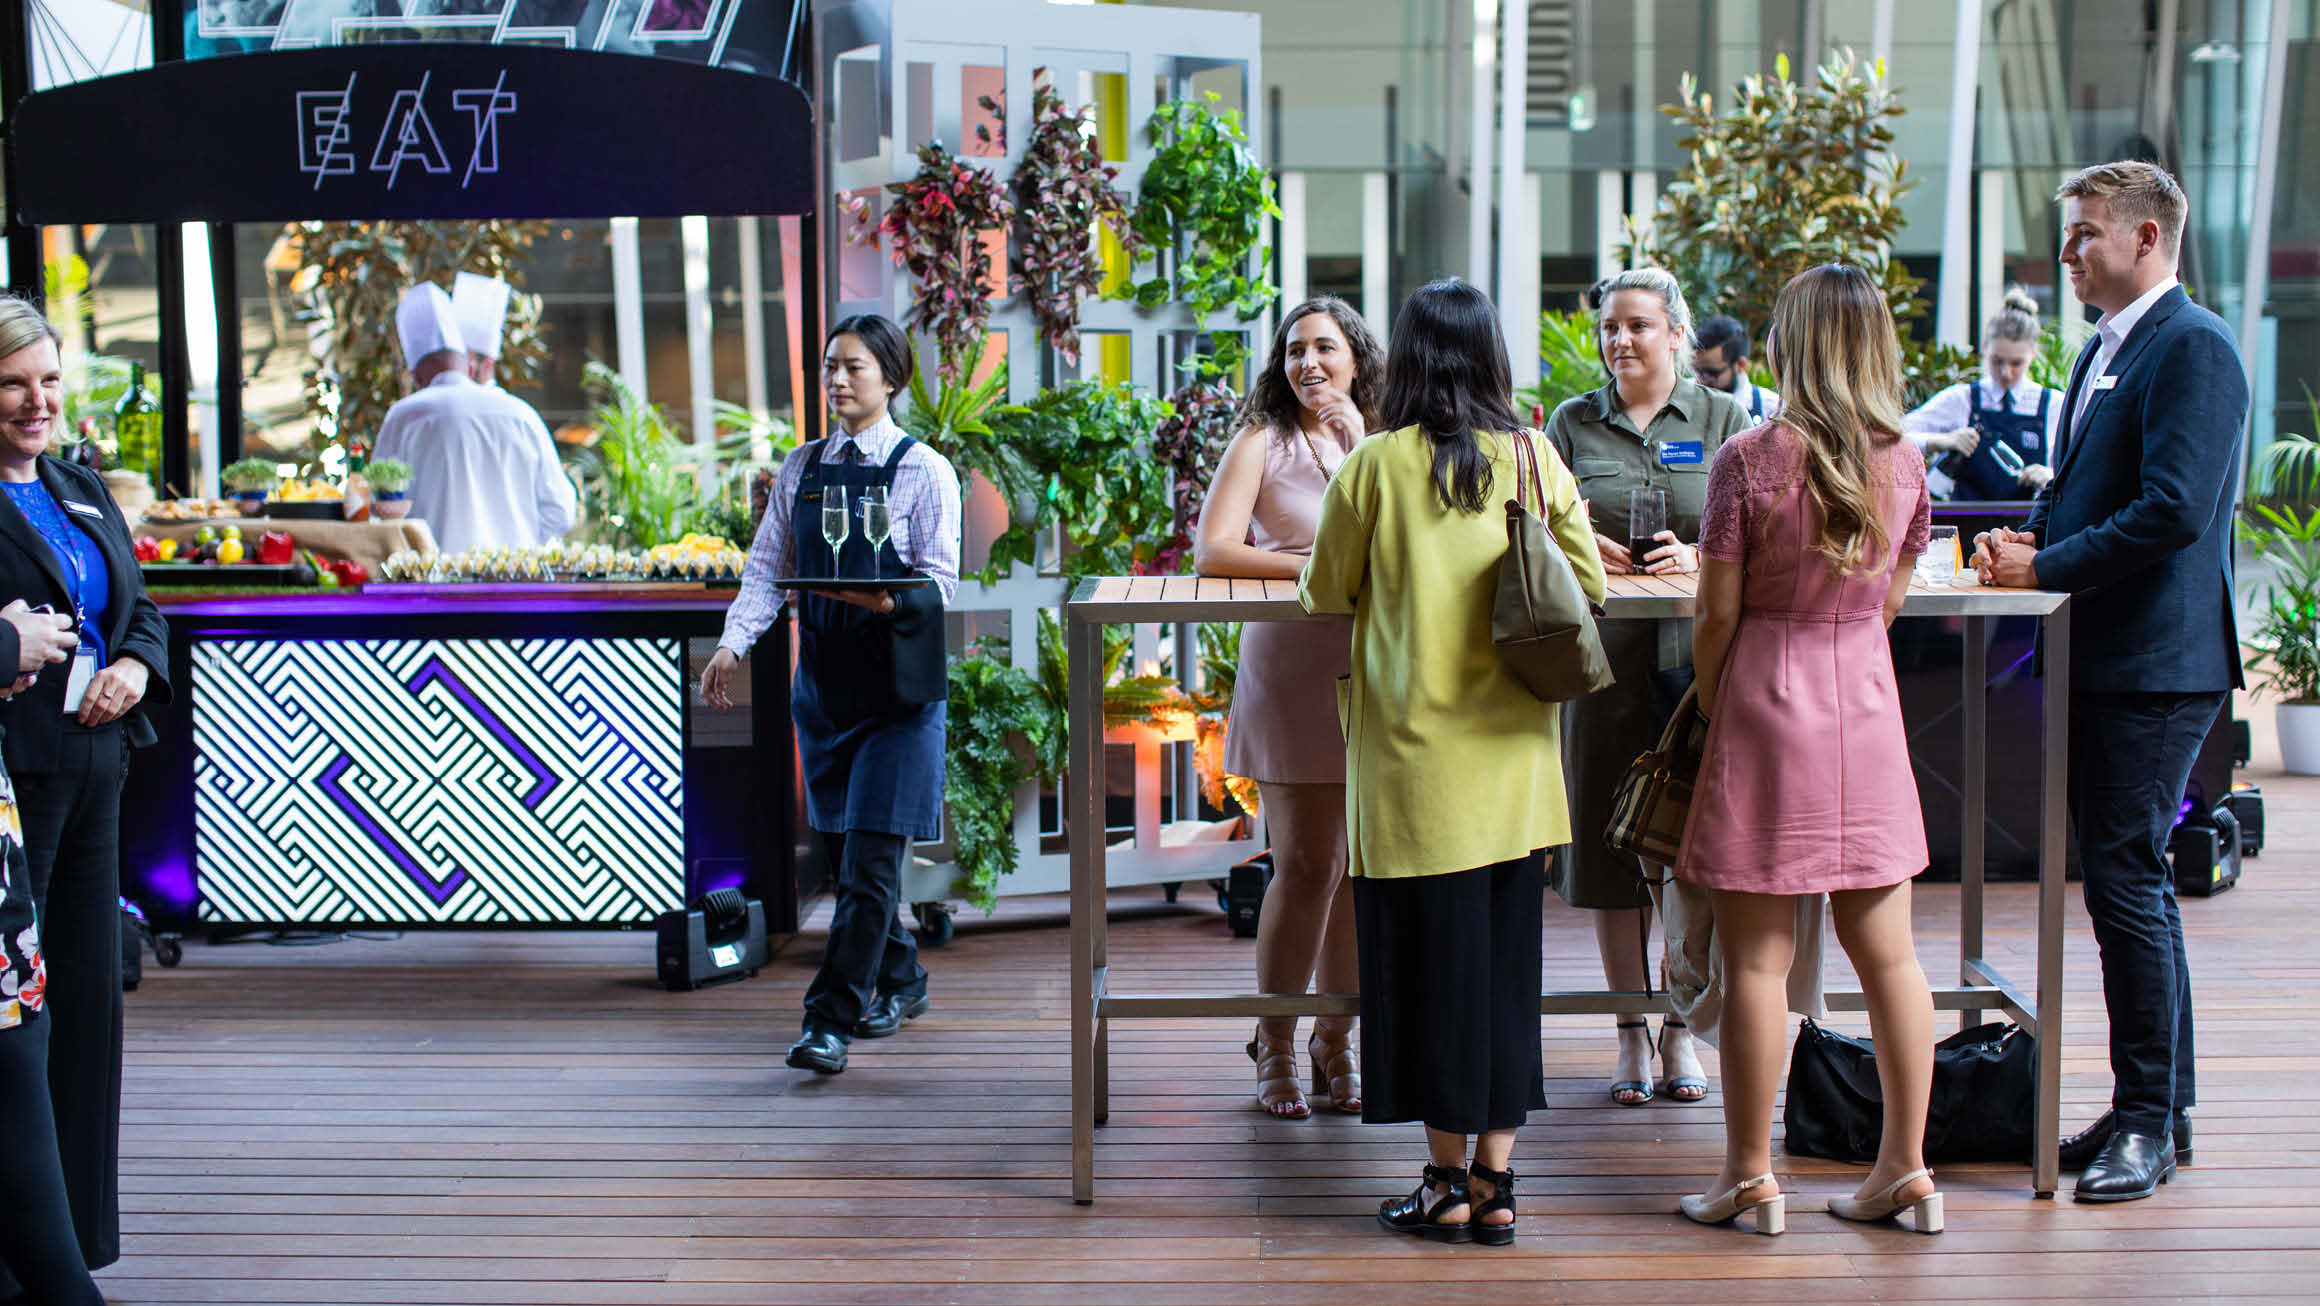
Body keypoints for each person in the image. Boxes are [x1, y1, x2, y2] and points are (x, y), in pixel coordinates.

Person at [1302, 278, 1605, 1246]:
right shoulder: (1534, 457)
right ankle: (1497, 1180)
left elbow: (1323, 591)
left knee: (1427, 977)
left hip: (1410, 771)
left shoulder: (1375, 466)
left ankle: (1443, 1180)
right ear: (1490, 359)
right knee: (1505, 975)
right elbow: (1585, 584)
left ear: (1404, 358)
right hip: (1514, 770)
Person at [1975, 161, 2245, 1203]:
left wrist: (2045, 565)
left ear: (2144, 239)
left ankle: (2147, 1120)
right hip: (2103, 659)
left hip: (2155, 668)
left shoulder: (2195, 348)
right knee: (2125, 880)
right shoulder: (2101, 348)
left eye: (2085, 233)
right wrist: (2027, 537)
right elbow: (2093, 490)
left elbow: (2174, 509)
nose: (2067, 252)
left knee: (2128, 884)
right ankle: (2158, 1108)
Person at [1677, 262, 1940, 1237]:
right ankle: (1903, 1170)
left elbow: (1714, 612)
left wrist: (1718, 701)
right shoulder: (1905, 461)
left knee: (1754, 962)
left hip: (1763, 703)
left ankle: (1749, 1178)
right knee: (1892, 960)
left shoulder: (1747, 458)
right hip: (1865, 709)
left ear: (1786, 344)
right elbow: (1895, 598)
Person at [703, 314, 961, 1077]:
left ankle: (829, 1021)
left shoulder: (925, 470)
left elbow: (939, 582)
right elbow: (765, 570)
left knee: (871, 866)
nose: (838, 381)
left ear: (892, 377)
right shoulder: (801, 468)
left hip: (897, 694)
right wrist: (732, 644)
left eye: (853, 367)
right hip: (823, 690)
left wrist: (884, 601)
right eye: (830, 368)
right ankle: (903, 978)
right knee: (850, 856)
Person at [1545, 267, 1747, 1108]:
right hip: (1603, 665)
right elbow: (1535, 529)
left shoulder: (1726, 420)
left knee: (1688, 849)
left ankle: (1680, 1027)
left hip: (1699, 663)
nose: (1619, 340)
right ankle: (1629, 1028)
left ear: (1675, 333)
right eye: (1609, 328)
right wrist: (1584, 546)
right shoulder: (1570, 422)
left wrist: (1700, 559)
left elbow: (1754, 532)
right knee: (1609, 846)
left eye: (1636, 325)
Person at [0, 296, 173, 1277]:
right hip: (11, 775)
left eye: (49, 380)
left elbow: (141, 608)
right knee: (22, 1014)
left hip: (97, 760)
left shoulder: (79, 485)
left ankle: (78, 1237)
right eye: (15, 383)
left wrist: (136, 668)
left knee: (90, 1003)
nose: (37, 401)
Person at [1195, 295, 1384, 1119]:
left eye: (1325, 348)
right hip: (1292, 671)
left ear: (1357, 359)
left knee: (1357, 875)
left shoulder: (1385, 445)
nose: (1308, 363)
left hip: (1379, 674)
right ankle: (1273, 1042)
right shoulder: (1261, 444)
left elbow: (1402, 539)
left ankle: (1335, 1042)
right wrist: (1308, 566)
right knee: (1307, 865)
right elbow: (1214, 550)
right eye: (1294, 349)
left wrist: (1356, 447)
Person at [370, 282, 577, 554]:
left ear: (417, 377)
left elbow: (378, 512)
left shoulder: (405, 417)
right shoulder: (522, 415)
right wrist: (518, 546)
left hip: (433, 587)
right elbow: (561, 514)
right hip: (515, 585)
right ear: (468, 365)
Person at [1903, 288, 2060, 500]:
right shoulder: (1961, 399)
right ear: (1985, 348)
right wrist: (1942, 440)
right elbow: (1895, 436)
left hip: (2028, 527)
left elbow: (2081, 468)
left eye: (2016, 363)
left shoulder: (2054, 405)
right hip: (1968, 523)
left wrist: (2050, 477)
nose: (2006, 372)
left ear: (2033, 354)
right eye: (1997, 361)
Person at [1693, 315, 1781, 421]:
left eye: (1711, 373)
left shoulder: (1772, 410)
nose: (1700, 380)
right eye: (1696, 370)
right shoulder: (1681, 400)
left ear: (1740, 364)